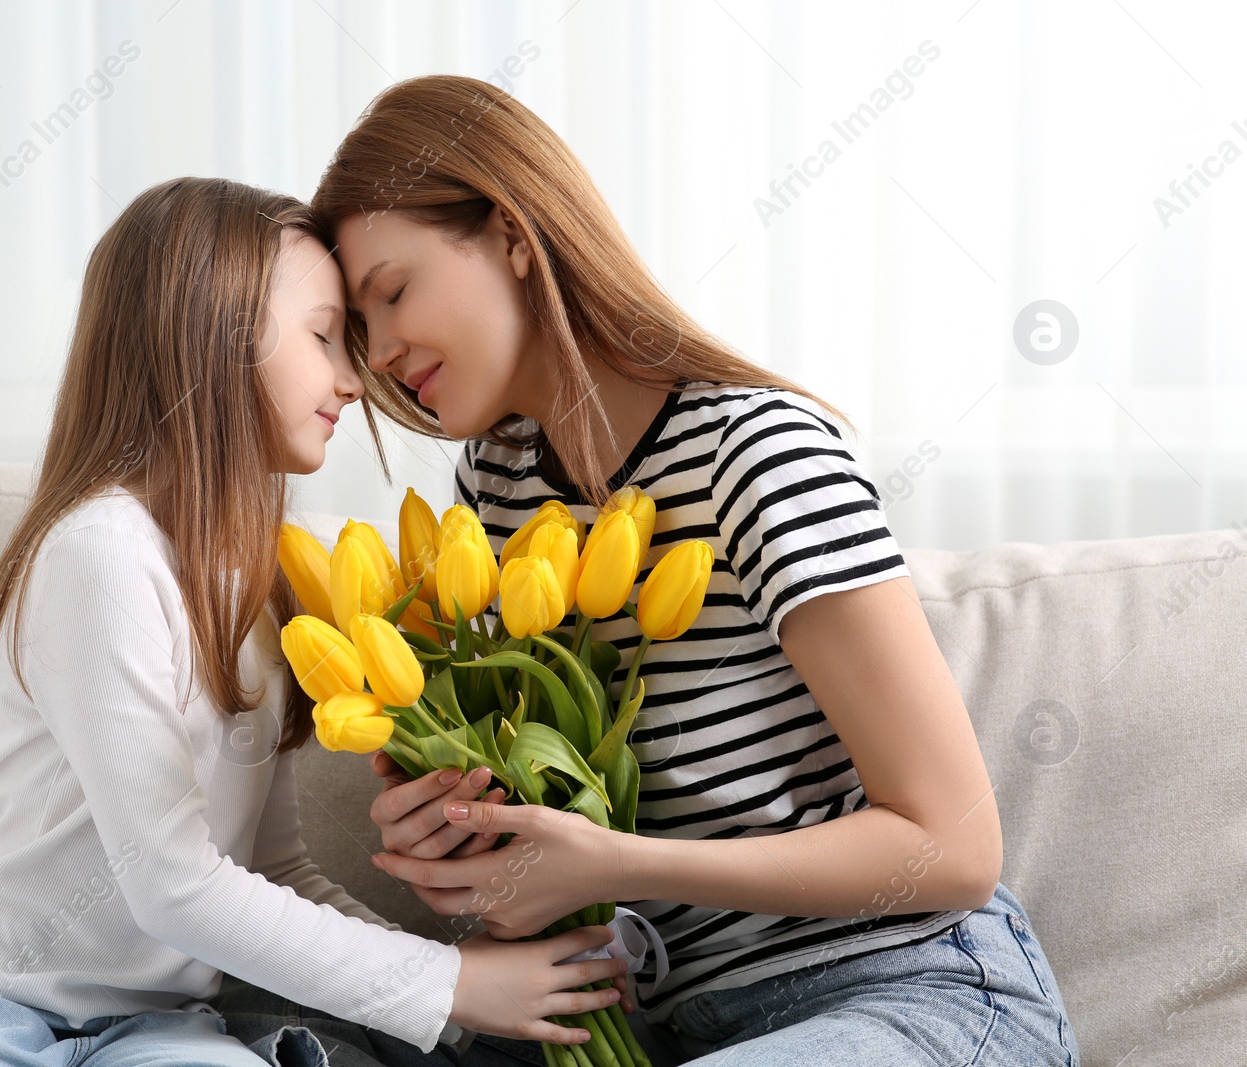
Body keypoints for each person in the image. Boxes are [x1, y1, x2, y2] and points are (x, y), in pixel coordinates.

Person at [306, 75, 1082, 1067]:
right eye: (355, 330)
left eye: (393, 293)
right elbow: (568, 819)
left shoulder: (754, 453)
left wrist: (617, 861)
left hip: (907, 992)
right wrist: (466, 840)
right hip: (658, 1017)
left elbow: (955, 849)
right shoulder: (495, 488)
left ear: (508, 233)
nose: (380, 352)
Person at [0, 176, 628, 1067]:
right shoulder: (102, 548)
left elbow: (274, 870)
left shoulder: (261, 577)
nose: (353, 380)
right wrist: (449, 986)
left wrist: (450, 985)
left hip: (157, 1025)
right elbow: (176, 887)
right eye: (325, 336)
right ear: (210, 337)